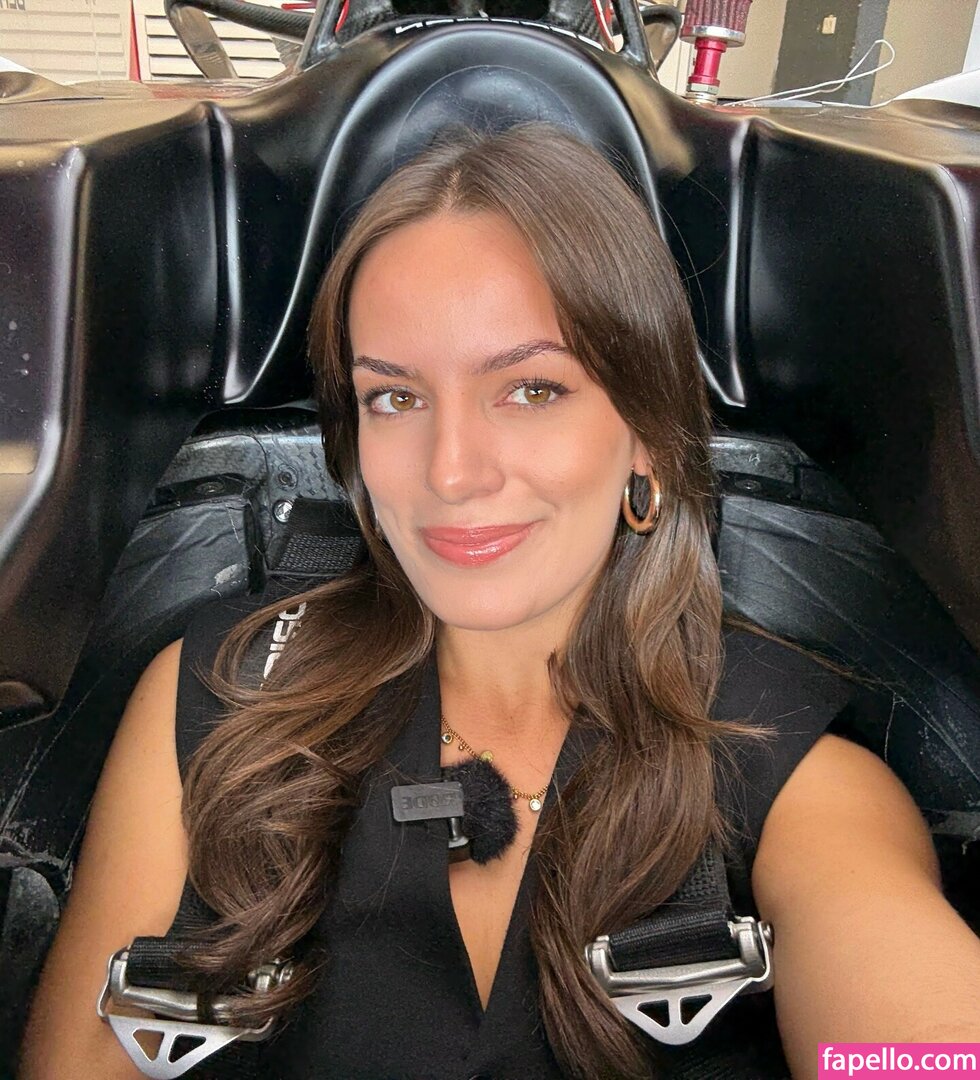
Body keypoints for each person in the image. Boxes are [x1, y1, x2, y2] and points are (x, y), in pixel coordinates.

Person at [20, 125, 980, 1080]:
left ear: (647, 431)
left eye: (530, 389)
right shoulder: (215, 703)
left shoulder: (800, 780)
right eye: (395, 398)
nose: (452, 472)